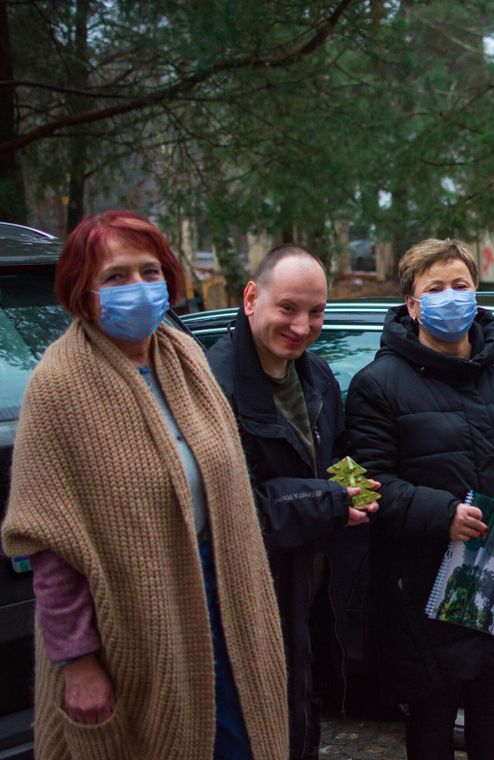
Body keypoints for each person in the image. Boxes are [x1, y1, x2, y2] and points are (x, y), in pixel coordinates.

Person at [1, 211, 287, 759]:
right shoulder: (57, 388)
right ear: (82, 291)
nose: (138, 288)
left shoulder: (186, 360)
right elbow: (46, 545)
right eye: (115, 277)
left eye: (149, 271)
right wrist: (77, 662)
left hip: (223, 597)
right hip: (133, 625)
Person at [342, 239, 494, 760]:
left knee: (493, 710)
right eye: (434, 288)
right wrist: (441, 514)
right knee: (433, 715)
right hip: (425, 582)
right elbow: (368, 480)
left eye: (460, 285)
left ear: (476, 292)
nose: (450, 298)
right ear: (412, 304)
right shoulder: (379, 383)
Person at [206, 244, 378, 759]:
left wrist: (361, 488)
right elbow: (233, 507)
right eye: (288, 308)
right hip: (248, 595)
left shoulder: (317, 375)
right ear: (251, 298)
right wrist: (329, 501)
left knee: (300, 721)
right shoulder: (215, 386)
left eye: (316, 312)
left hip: (310, 587)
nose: (302, 326)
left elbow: (336, 458)